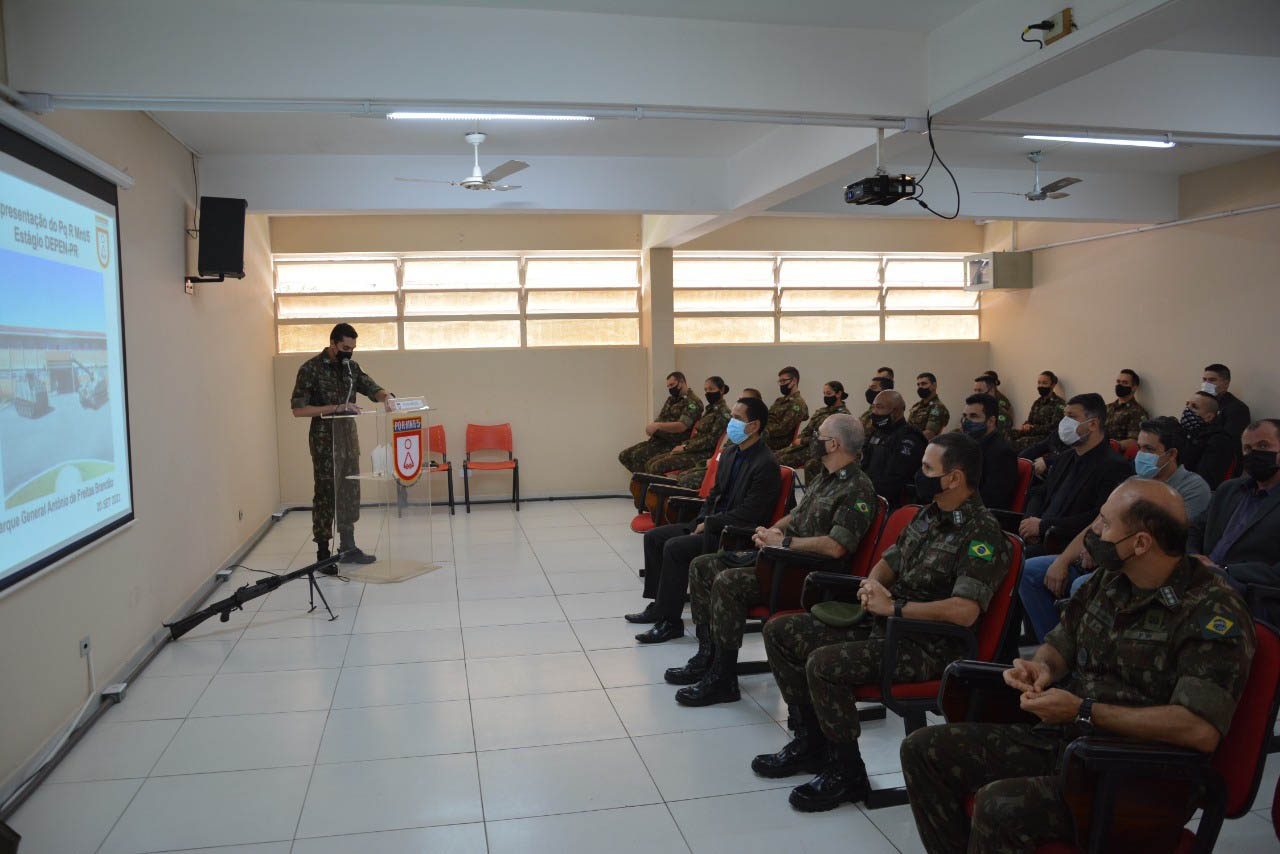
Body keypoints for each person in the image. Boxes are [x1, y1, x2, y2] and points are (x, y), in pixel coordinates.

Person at [902, 478, 1255, 854]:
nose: (1094, 531)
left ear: (1140, 543)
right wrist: (1040, 668)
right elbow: (1062, 642)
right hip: (1071, 744)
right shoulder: (1111, 578)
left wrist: (1084, 710)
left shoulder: (1211, 610)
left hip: (1139, 778)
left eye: (1105, 523)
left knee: (999, 805)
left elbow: (1199, 729)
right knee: (923, 750)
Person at [753, 433, 1010, 811]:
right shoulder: (929, 514)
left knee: (823, 664)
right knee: (781, 632)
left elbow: (964, 611)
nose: (918, 474)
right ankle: (811, 743)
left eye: (927, 468)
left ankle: (847, 771)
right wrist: (873, 584)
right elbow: (890, 561)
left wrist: (896, 609)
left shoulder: (981, 533)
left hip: (927, 644)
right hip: (886, 623)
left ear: (954, 478)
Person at [669, 414, 878, 706]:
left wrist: (785, 543)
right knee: (703, 566)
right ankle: (708, 656)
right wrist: (773, 530)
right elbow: (797, 515)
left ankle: (723, 678)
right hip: (783, 560)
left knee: (728, 582)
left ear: (833, 444)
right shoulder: (825, 476)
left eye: (818, 436)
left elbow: (835, 547)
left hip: (807, 576)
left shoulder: (857, 488)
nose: (812, 440)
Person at [1019, 416, 1212, 641]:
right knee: (1029, 571)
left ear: (1171, 454)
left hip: (1138, 567)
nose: (1141, 455)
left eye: (1149, 449)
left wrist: (1100, 546)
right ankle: (1055, 645)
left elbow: (1157, 539)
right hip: (1100, 557)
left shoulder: (1192, 488)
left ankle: (1083, 651)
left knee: (1082, 585)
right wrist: (1062, 561)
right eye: (1139, 448)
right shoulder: (1132, 482)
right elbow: (1096, 524)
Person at [627, 397, 782, 643]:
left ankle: (670, 622)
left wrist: (710, 524)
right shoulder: (730, 453)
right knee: (655, 537)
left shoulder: (766, 464)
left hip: (735, 534)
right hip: (710, 523)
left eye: (738, 418)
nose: (731, 422)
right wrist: (701, 520)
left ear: (754, 426)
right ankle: (659, 606)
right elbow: (714, 494)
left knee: (675, 548)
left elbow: (750, 514)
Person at [290, 322, 393, 568]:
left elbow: (371, 387)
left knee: (350, 492)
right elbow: (298, 410)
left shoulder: (351, 368)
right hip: (325, 442)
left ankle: (348, 546)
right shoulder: (311, 369)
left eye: (353, 348)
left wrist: (387, 398)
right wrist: (336, 407)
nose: (350, 352)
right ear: (333, 343)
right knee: (326, 494)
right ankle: (323, 554)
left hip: (348, 439)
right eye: (346, 348)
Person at [1017, 393, 1131, 558]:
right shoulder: (1066, 457)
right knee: (984, 550)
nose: (1064, 423)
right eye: (1064, 416)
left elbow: (1098, 517)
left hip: (1065, 547)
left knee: (1005, 561)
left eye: (1071, 417)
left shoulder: (1115, 467)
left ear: (1093, 424)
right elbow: (1041, 492)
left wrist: (1043, 526)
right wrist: (1030, 523)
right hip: (1034, 536)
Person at [1189, 419, 1280, 621]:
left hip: (1249, 594)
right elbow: (1194, 529)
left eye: (1263, 445)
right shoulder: (1228, 489)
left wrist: (1223, 570)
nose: (1254, 454)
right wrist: (1194, 557)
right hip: (1198, 577)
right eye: (1247, 449)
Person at [675, 388, 762, 490]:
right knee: (681, 476)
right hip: (719, 463)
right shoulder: (737, 424)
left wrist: (719, 461)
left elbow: (743, 457)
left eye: (744, 400)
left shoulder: (756, 428)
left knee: (685, 480)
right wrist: (715, 460)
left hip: (731, 471)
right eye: (739, 399)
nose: (739, 402)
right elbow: (727, 448)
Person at [618, 371, 703, 473]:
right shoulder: (671, 400)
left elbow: (682, 426)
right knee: (624, 456)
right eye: (668, 386)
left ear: (681, 382)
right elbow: (661, 418)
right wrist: (652, 427)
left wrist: (658, 426)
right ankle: (644, 480)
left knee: (638, 456)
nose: (670, 388)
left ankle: (647, 481)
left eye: (672, 385)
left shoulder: (692, 402)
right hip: (658, 440)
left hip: (674, 443)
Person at [644, 376, 731, 476]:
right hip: (692, 449)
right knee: (649, 463)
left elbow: (711, 440)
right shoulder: (710, 410)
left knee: (656, 466)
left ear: (721, 390)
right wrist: (684, 446)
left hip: (702, 454)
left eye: (711, 389)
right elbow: (697, 435)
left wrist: (686, 447)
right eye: (706, 390)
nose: (708, 393)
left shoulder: (723, 413)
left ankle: (665, 486)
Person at [862, 389, 925, 506]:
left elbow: (894, 481)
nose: (874, 412)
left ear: (895, 411)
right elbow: (863, 464)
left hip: (891, 503)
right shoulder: (877, 433)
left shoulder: (909, 438)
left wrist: (864, 491)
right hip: (869, 495)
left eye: (879, 407)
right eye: (873, 407)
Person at [777, 381, 850, 480]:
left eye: (828, 393)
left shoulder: (843, 416)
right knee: (774, 456)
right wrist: (800, 439)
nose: (826, 397)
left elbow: (828, 439)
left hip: (821, 450)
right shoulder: (821, 411)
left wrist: (802, 441)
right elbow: (808, 429)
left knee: (781, 461)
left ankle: (785, 488)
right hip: (806, 446)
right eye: (824, 394)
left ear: (838, 394)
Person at [959, 393, 1019, 511]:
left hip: (980, 516)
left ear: (991, 421)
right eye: (965, 416)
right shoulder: (967, 445)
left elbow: (993, 500)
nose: (966, 421)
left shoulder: (1002, 453)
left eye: (973, 416)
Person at [1181, 390, 1236, 487]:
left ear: (1209, 417)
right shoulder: (1185, 432)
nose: (1187, 409)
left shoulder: (1219, 440)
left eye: (1194, 407)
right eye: (1187, 404)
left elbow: (1206, 480)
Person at [1014, 371, 1066, 452]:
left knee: (1019, 443)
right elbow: (1030, 421)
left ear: (1052, 385)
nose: (1041, 386)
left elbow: (1054, 428)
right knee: (1009, 435)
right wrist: (1025, 425)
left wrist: (1033, 428)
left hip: (1047, 438)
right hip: (1033, 433)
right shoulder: (1037, 402)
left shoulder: (1059, 403)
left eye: (1044, 383)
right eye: (1039, 383)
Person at [1202, 363, 1251, 444]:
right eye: (1204, 380)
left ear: (1226, 384)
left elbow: (1230, 442)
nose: (1206, 384)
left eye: (1212, 380)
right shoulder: (1202, 404)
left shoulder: (1237, 408)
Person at [765, 366, 809, 451]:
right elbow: (768, 417)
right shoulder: (779, 400)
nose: (781, 384)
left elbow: (783, 429)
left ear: (794, 381)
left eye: (784, 381)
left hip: (776, 443)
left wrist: (762, 429)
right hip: (766, 436)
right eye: (780, 381)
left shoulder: (798, 404)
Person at [1105, 368, 1148, 450]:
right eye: (1118, 382)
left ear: (1134, 387)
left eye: (1125, 383)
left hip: (1117, 454)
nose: (1120, 385)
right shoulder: (1107, 408)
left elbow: (1135, 441)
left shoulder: (1137, 411)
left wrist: (1115, 445)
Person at [909, 372, 950, 440]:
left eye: (923, 384)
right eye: (918, 384)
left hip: (926, 445)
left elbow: (929, 434)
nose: (920, 387)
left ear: (934, 385)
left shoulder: (938, 407)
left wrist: (909, 439)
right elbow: (908, 427)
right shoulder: (916, 406)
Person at [973, 375, 1012, 439]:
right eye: (975, 390)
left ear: (991, 391)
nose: (976, 394)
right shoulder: (973, 411)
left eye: (980, 390)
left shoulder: (1001, 416)